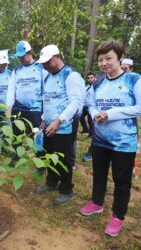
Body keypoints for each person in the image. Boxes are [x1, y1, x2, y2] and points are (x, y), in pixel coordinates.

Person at [79, 41, 141, 237]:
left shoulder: (134, 80)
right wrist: (97, 113)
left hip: (124, 142)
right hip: (100, 140)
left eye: (109, 58)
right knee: (99, 173)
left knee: (121, 181)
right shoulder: (97, 83)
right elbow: (91, 103)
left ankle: (118, 216)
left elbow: (139, 107)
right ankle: (97, 203)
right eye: (100, 59)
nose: (104, 63)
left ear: (120, 57)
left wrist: (110, 113)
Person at [35, 44, 85, 205]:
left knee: (63, 160)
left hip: (64, 126)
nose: (45, 66)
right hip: (49, 125)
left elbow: (75, 103)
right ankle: (51, 182)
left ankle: (66, 190)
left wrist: (59, 121)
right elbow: (48, 100)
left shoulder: (71, 76)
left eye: (47, 62)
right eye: (43, 63)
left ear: (57, 57)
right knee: (49, 155)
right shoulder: (47, 76)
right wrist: (44, 118)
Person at [7, 40, 46, 136]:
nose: (20, 59)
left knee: (36, 138)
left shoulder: (40, 67)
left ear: (30, 53)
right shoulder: (16, 70)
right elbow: (11, 90)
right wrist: (8, 107)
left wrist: (45, 113)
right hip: (18, 110)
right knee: (16, 138)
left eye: (22, 56)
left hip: (35, 110)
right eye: (19, 57)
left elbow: (46, 89)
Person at [80, 72, 96, 136]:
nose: (90, 79)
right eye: (88, 78)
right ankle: (85, 129)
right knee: (80, 117)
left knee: (90, 121)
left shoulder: (96, 86)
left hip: (91, 106)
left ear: (95, 78)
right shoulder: (86, 87)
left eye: (91, 77)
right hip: (85, 105)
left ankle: (91, 134)